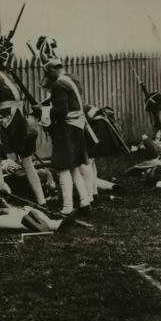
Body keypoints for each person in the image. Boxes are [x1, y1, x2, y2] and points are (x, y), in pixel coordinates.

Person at [0, 47, 47, 205]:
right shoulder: (5, 76)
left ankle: (0, 201)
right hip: (19, 119)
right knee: (27, 162)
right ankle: (41, 200)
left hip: (5, 121)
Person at [38, 43, 92, 216]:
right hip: (78, 127)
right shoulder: (71, 79)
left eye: (48, 73)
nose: (48, 77)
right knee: (75, 166)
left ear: (54, 69)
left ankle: (67, 207)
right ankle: (84, 202)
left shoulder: (59, 85)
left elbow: (61, 111)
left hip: (67, 129)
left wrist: (43, 111)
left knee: (62, 168)